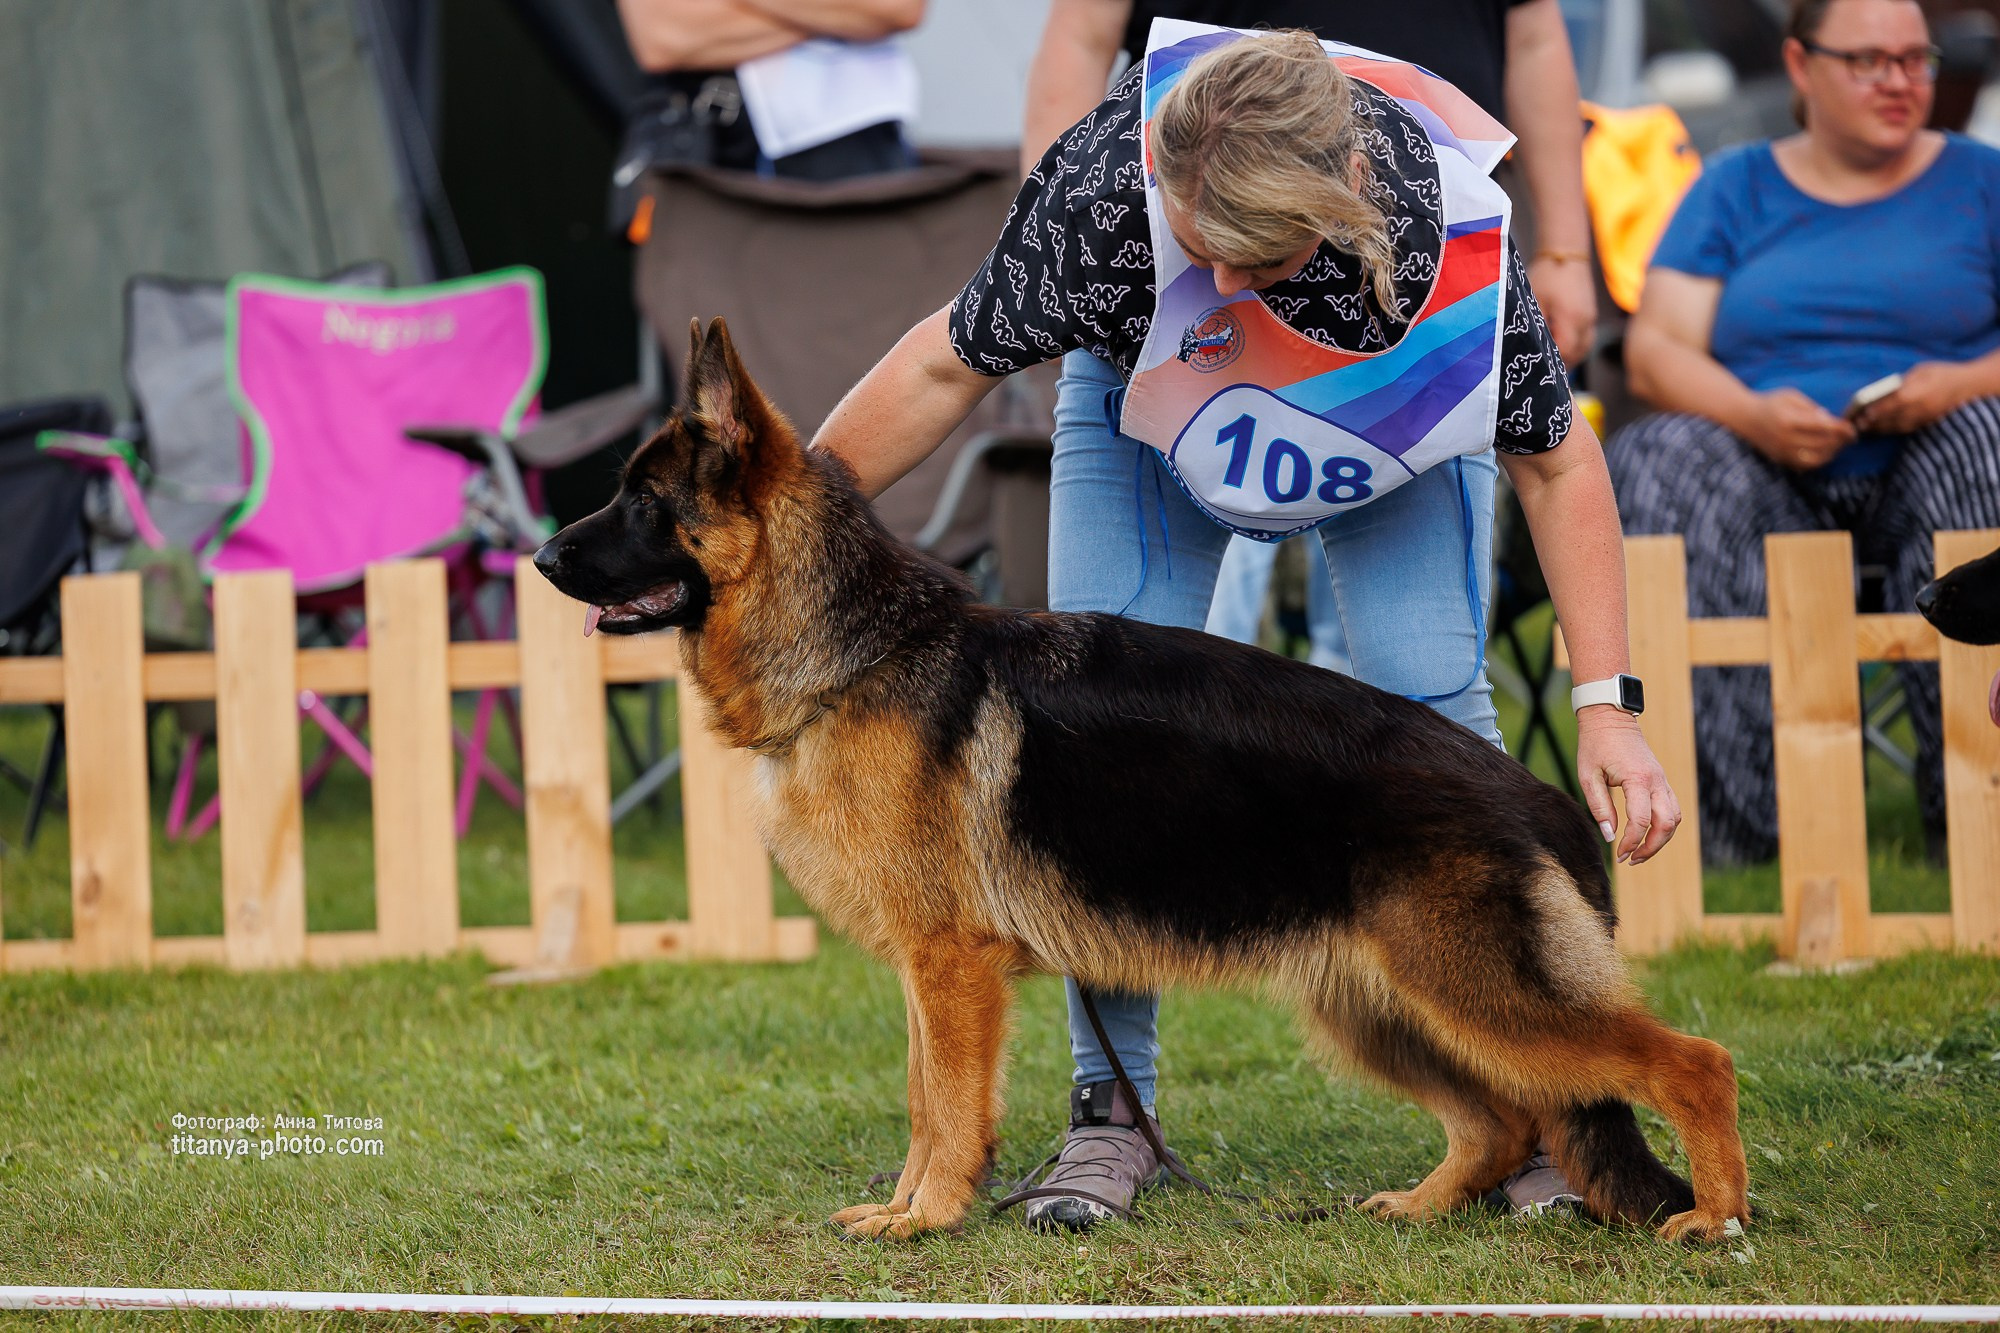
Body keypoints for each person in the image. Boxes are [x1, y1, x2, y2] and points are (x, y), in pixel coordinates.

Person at [810, 24, 1679, 1231]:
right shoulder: (1100, 195)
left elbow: (1556, 464)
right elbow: (937, 372)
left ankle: (1527, 1114)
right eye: (1194, 245)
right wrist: (785, 528)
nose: (1216, 285)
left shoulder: (1439, 247)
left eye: (1251, 257)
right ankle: (1111, 1118)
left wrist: (1605, 710)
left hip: (1384, 411)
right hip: (1148, 412)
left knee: (1429, 692)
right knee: (1087, 744)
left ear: (1341, 207)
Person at [1021, 1, 1597, 724]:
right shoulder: (1119, 202)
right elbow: (1080, 33)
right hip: (1178, 268)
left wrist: (1568, 250)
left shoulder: (1442, 242)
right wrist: (1060, 256)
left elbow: (1536, 33)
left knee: (1426, 691)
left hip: (1400, 285)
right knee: (1114, 698)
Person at [1609, 0, 2000, 866]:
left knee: (1989, 435)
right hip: (1765, 467)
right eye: (1869, 61)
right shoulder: (1735, 183)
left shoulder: (1982, 181)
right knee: (1658, 458)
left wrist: (1957, 383)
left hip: (1937, 460)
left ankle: (1976, 815)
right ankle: (1734, 833)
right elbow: (1656, 347)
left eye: (1915, 59)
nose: (1899, 81)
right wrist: (1752, 414)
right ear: (1800, 65)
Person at [613, 0, 924, 183]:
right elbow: (665, 38)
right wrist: (838, 17)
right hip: (712, 154)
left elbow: (897, 6)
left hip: (856, 150)